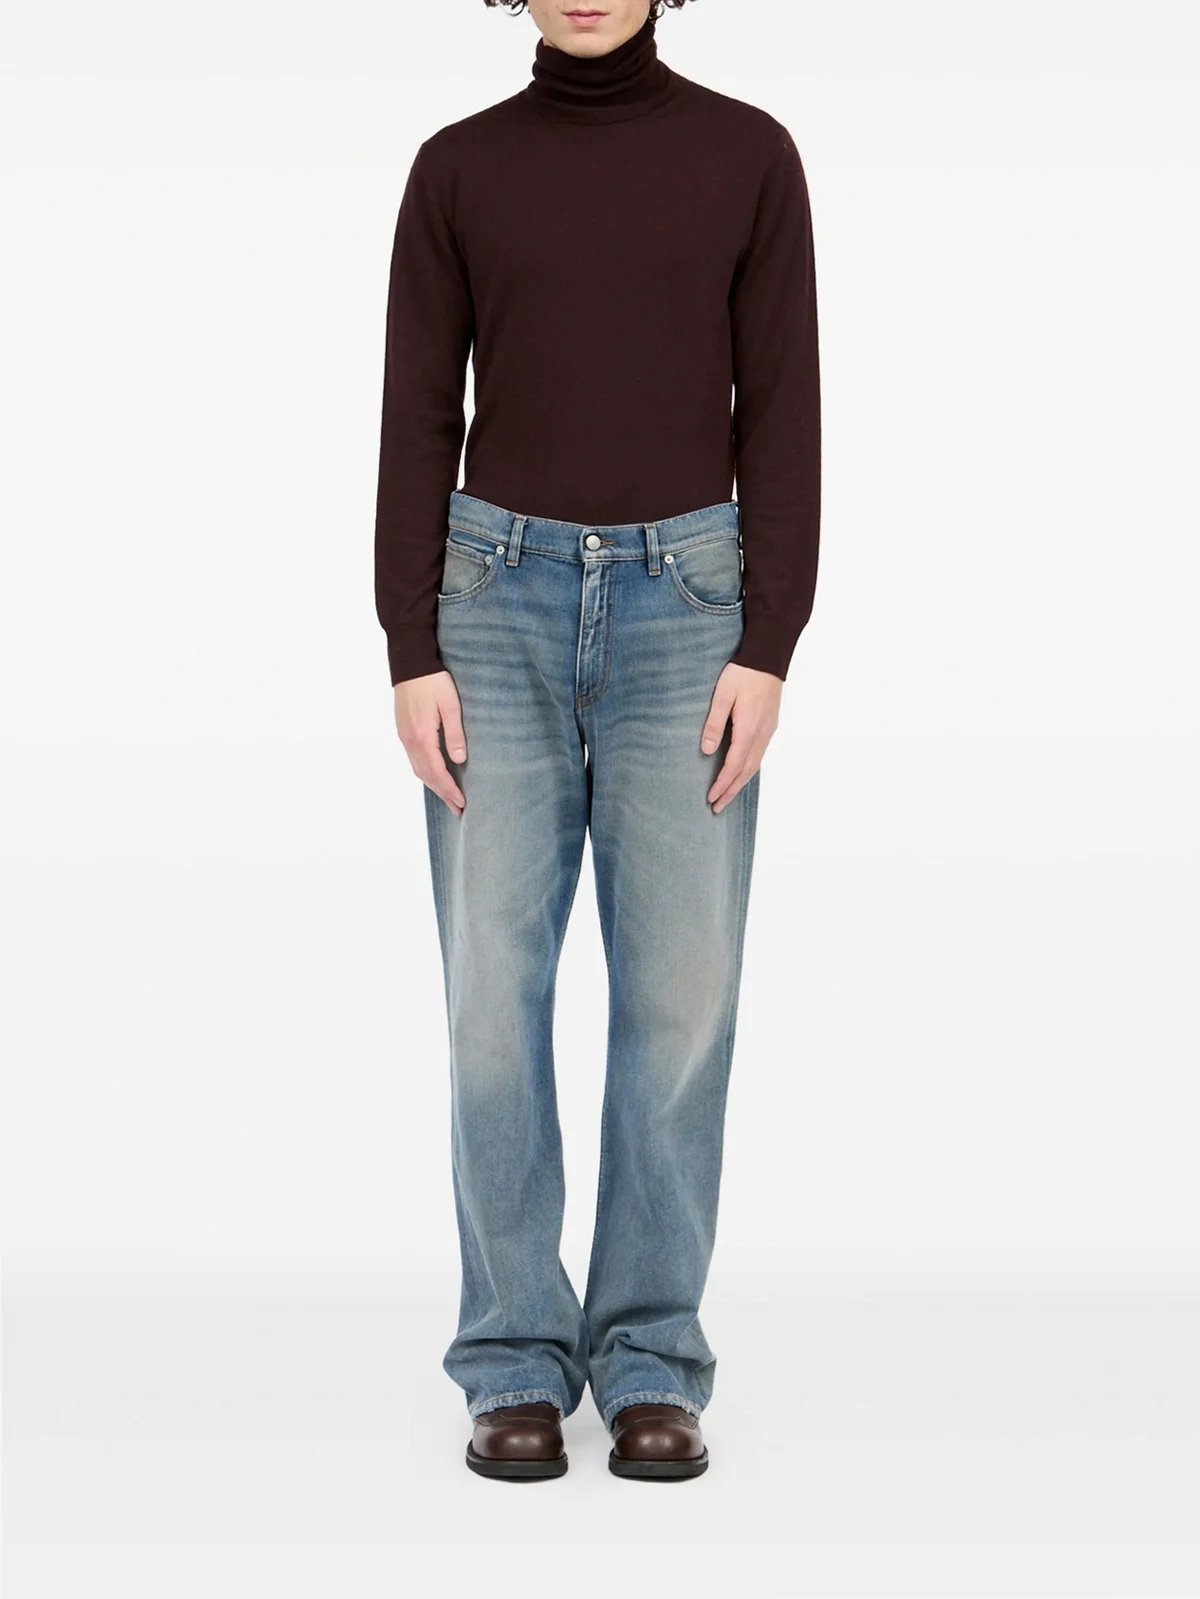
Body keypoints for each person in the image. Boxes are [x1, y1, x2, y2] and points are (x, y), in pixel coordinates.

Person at [373, 0, 820, 1481]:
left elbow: (784, 413)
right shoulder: (457, 168)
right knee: (490, 1000)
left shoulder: (750, 157)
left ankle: (649, 1355)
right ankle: (512, 1349)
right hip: (490, 608)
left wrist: (768, 638)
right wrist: (410, 643)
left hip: (688, 612)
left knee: (681, 995)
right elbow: (418, 414)